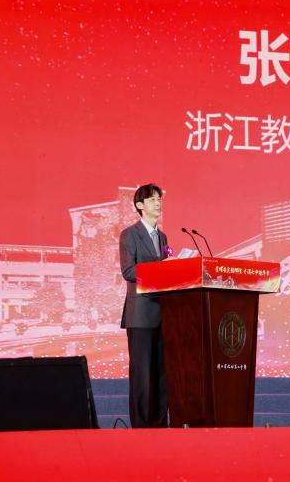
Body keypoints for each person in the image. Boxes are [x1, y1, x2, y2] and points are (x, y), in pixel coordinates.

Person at [119, 183, 168, 428]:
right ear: (140, 205)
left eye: (159, 199)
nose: (158, 203)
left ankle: (160, 423)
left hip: (164, 313)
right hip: (140, 314)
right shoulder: (130, 234)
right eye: (152, 199)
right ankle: (141, 426)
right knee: (142, 373)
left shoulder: (163, 237)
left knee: (161, 372)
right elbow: (128, 271)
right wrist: (160, 270)